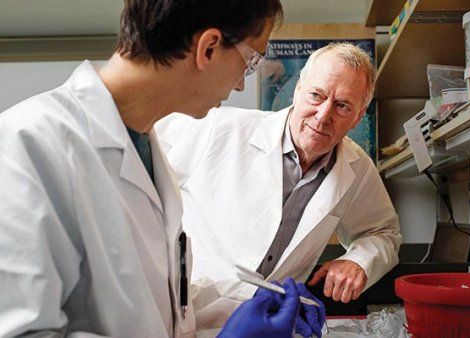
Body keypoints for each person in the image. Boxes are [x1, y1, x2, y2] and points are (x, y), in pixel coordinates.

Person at [0, 0, 325, 337]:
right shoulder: (25, 144)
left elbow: (162, 302)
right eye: (250, 61)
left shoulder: (148, 149)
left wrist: (251, 300)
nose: (241, 85)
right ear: (208, 48)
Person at [156, 43, 403, 329]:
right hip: (184, 315)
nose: (323, 116)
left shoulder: (357, 168)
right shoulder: (216, 128)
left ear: (358, 116)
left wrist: (359, 260)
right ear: (298, 90)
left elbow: (383, 233)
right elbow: (137, 178)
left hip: (271, 324)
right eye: (316, 95)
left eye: (342, 105)